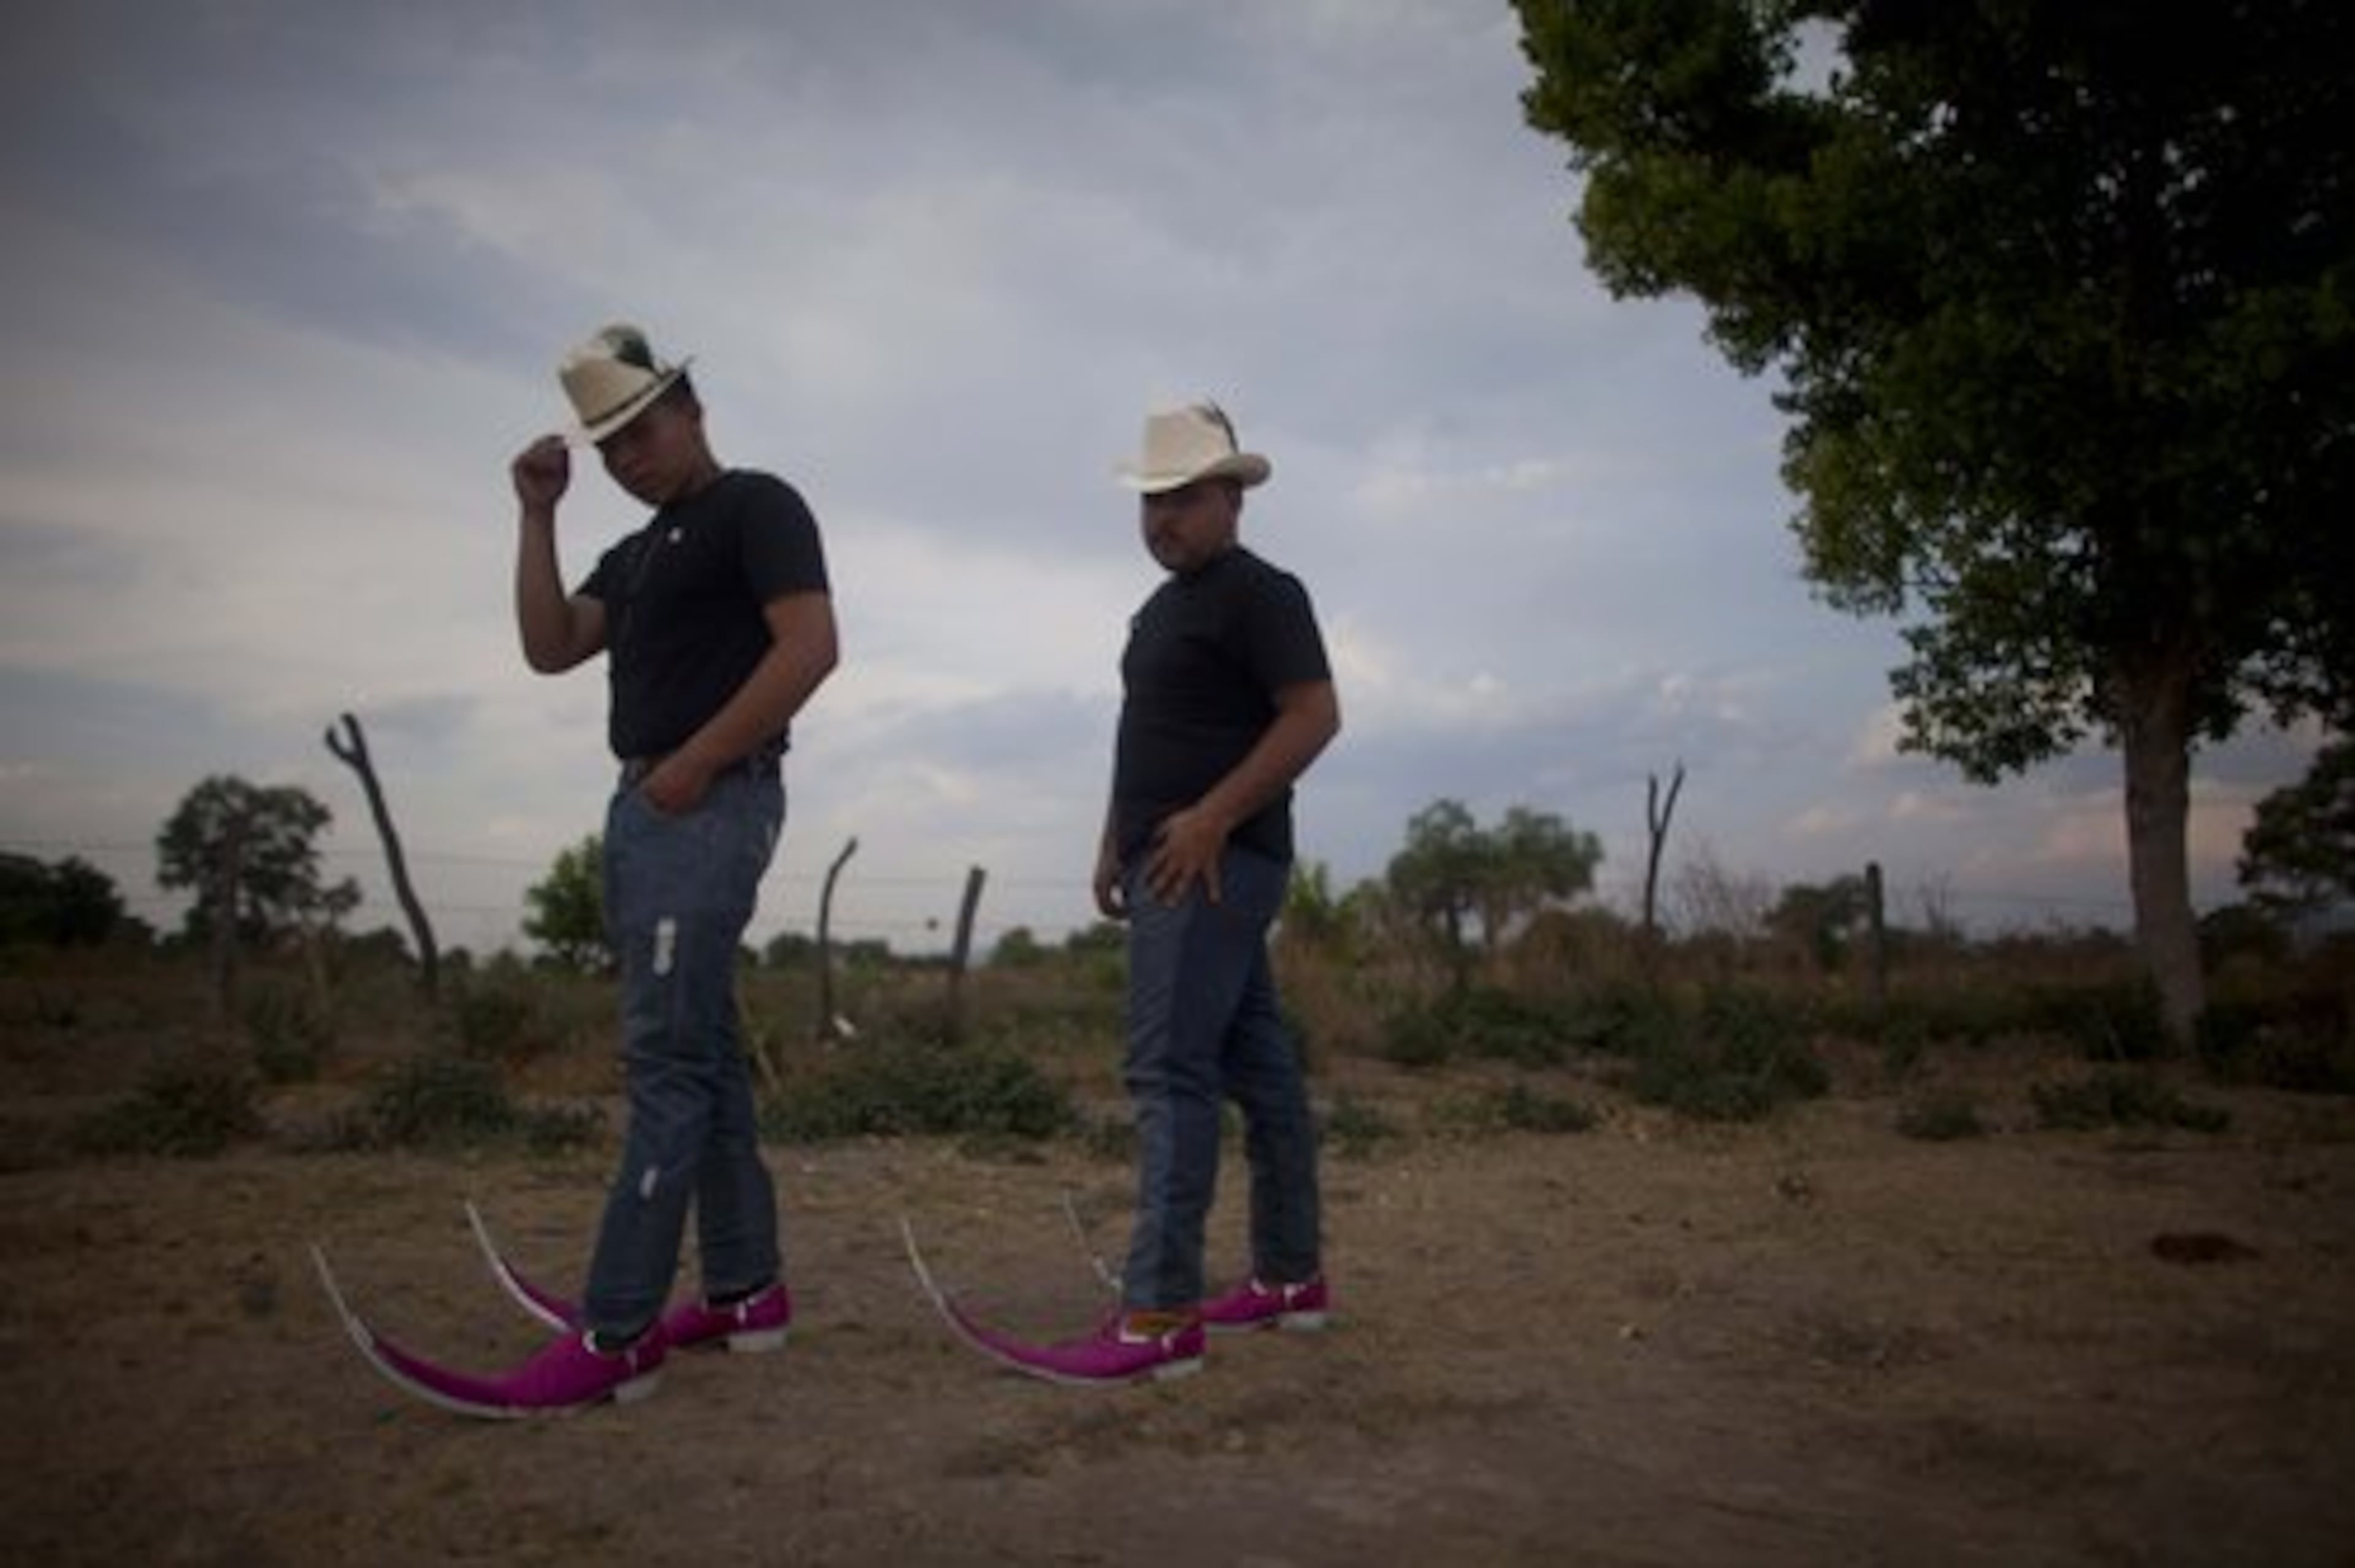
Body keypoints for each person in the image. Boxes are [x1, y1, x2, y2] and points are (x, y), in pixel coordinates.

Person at [496, 321, 839, 1412]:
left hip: (710, 799)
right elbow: (549, 646)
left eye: (640, 431)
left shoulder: (758, 506)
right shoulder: (637, 554)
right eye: (610, 448)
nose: (628, 458)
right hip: (648, 805)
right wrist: (538, 513)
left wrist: (695, 763)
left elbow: (811, 647)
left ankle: (620, 1326)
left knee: (664, 1065)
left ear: (691, 408)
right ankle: (744, 1291)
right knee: (702, 1051)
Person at [1044, 399, 1341, 1385]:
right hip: (1164, 856)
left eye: (1181, 498)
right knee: (1261, 1078)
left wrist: (1211, 817)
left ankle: (1160, 1312)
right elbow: (1150, 732)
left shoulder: (1262, 593)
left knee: (1169, 1074)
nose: (1161, 518)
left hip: (1211, 862)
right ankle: (1292, 1278)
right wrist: (1110, 839)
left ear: (1231, 498)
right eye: (1149, 500)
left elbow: (1313, 716)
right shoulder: (1156, 612)